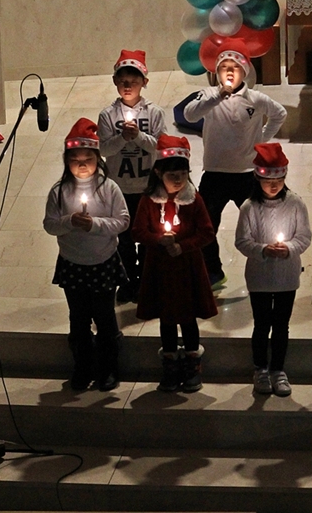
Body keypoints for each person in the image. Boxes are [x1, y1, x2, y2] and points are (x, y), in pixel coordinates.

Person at [183, 39, 287, 289]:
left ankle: (266, 264)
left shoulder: (255, 98)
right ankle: (212, 271)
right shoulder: (208, 95)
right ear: (216, 72)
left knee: (260, 222)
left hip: (246, 174)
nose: (229, 72)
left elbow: (279, 114)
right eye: (224, 67)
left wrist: (261, 140)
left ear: (245, 71)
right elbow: (190, 114)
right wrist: (217, 97)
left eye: (235, 67)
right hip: (215, 173)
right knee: (206, 224)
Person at [43, 118, 129, 392]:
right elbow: (50, 225)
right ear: (66, 161)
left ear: (98, 159)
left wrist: (95, 225)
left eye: (88, 159)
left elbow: (123, 221)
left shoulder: (109, 188)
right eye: (75, 159)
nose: (82, 165)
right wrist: (69, 221)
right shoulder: (59, 191)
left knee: (105, 317)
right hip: (73, 264)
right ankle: (82, 366)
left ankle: (108, 367)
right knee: (78, 319)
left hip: (103, 262)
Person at [132, 135, 218, 393]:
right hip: (159, 268)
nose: (178, 180)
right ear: (159, 173)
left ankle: (192, 366)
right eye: (172, 175)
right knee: (167, 318)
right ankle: (169, 365)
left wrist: (182, 246)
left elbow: (207, 232)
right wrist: (158, 240)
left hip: (187, 267)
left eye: (183, 174)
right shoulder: (149, 200)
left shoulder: (193, 199)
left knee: (188, 318)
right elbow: (137, 231)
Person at [234, 143, 311, 398]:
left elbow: (304, 237)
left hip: (287, 276)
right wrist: (263, 250)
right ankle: (260, 368)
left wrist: (288, 248)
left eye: (278, 180)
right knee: (261, 324)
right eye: (268, 181)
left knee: (281, 325)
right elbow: (242, 241)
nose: (274, 185)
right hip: (260, 277)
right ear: (258, 179)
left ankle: (278, 369)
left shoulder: (295, 204)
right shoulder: (249, 207)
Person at [97, 50, 165, 304]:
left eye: (133, 81)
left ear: (144, 82)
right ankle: (127, 282)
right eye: (123, 81)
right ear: (115, 82)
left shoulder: (154, 113)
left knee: (148, 238)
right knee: (123, 240)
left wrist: (137, 136)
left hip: (147, 187)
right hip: (120, 188)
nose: (128, 86)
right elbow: (104, 150)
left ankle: (146, 283)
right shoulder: (107, 115)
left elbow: (161, 148)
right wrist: (121, 138)